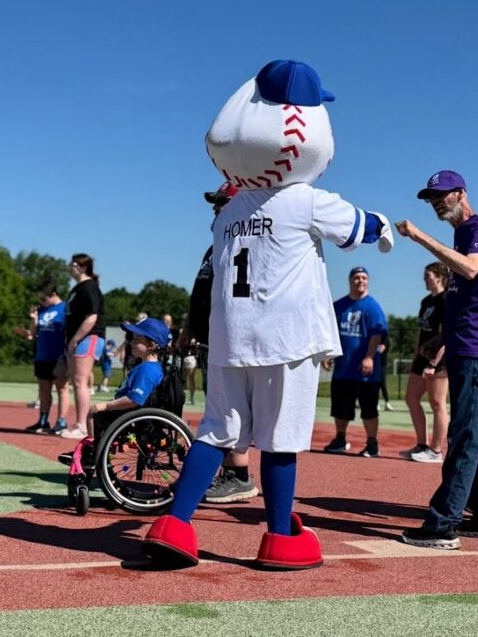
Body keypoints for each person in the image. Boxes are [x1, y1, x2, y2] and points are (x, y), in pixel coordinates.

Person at [141, 60, 394, 570]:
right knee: (281, 440)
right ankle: (280, 537)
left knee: (217, 431)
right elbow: (362, 227)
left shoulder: (227, 214)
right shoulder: (304, 200)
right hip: (287, 338)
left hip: (230, 338)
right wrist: (386, 226)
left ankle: (175, 524)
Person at [395, 169, 478, 550]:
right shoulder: (464, 234)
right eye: (431, 198)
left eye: (441, 195)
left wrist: (419, 237)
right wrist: (441, 338)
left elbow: (472, 268)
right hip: (464, 344)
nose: (435, 203)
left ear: (461, 193)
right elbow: (468, 294)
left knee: (464, 434)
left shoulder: (476, 229)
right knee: (472, 431)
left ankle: (444, 522)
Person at [189, 182, 259, 504]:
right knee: (218, 406)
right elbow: (201, 290)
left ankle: (238, 475)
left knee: (230, 410)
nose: (216, 209)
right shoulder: (214, 246)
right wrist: (189, 325)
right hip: (210, 338)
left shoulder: (241, 243)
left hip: (231, 339)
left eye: (222, 203)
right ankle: (232, 472)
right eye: (216, 204)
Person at [58, 317, 172, 466]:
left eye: (137, 339)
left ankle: (92, 452)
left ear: (150, 345)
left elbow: (134, 400)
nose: (131, 343)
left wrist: (107, 405)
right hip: (130, 413)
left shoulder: (148, 370)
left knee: (94, 412)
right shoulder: (146, 366)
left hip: (132, 415)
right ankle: (94, 449)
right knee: (99, 413)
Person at [323, 267, 388, 458]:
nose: (361, 281)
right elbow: (330, 331)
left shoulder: (372, 307)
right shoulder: (339, 306)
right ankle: (340, 439)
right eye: (357, 277)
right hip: (343, 369)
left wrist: (369, 357)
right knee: (340, 408)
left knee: (369, 409)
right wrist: (327, 354)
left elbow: (377, 334)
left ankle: (372, 444)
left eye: (364, 278)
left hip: (366, 372)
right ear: (350, 280)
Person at [402, 262, 450, 464]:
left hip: (438, 359)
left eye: (428, 275)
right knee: (411, 398)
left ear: (439, 277)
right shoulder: (426, 301)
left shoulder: (446, 299)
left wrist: (433, 363)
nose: (424, 279)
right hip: (422, 358)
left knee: (437, 403)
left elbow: (445, 335)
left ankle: (436, 451)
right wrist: (416, 357)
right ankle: (422, 444)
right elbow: (421, 332)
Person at [59, 254, 106, 440]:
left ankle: (83, 427)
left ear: (83, 268)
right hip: (78, 339)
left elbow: (92, 316)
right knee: (77, 381)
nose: (69, 266)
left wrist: (75, 339)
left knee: (80, 382)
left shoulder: (89, 287)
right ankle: (80, 424)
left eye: (73, 264)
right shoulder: (77, 288)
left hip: (88, 337)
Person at [24, 283, 70, 434]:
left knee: (62, 388)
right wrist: (33, 319)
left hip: (59, 356)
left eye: (44, 299)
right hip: (42, 355)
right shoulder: (41, 310)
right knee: (44, 389)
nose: (42, 302)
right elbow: (32, 333)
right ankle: (43, 421)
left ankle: (61, 421)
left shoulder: (65, 309)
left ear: (53, 295)